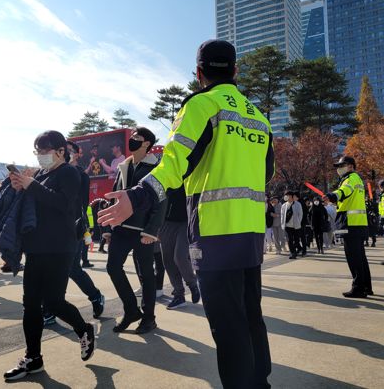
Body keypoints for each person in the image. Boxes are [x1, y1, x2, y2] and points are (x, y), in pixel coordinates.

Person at [98, 39, 274, 388]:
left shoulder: (202, 105)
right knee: (251, 314)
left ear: (199, 73)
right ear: (236, 71)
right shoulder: (259, 118)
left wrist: (137, 194)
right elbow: (266, 174)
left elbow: (175, 162)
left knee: (228, 324)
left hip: (216, 230)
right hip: (251, 232)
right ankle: (261, 383)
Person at [4, 131, 96, 381]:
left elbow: (64, 204)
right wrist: (20, 187)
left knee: (53, 302)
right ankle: (32, 358)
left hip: (60, 246)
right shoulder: (42, 174)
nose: (40, 156)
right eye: (37, 151)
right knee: (31, 304)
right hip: (36, 247)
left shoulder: (69, 173)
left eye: (44, 150)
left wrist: (31, 185)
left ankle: (84, 328)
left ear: (60, 151)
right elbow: (34, 207)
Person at [105, 127, 166, 334]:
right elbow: (115, 195)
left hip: (143, 231)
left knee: (146, 275)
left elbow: (162, 199)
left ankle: (149, 318)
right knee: (113, 267)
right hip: (121, 228)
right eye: (131, 138)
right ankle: (131, 310)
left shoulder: (156, 166)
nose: (131, 141)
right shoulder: (124, 166)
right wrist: (108, 226)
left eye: (136, 138)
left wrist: (152, 230)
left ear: (147, 143)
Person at [43, 141, 105, 326]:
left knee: (70, 269)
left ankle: (95, 296)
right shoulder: (48, 173)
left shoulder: (80, 176)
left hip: (71, 229)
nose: (61, 154)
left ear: (77, 154)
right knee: (51, 270)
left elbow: (76, 204)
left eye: (67, 151)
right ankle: (50, 309)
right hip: (48, 230)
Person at [323, 156, 372, 298]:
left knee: (353, 258)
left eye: (341, 165)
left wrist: (332, 195)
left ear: (350, 166)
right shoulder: (357, 179)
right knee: (360, 257)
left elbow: (344, 191)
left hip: (350, 223)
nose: (339, 168)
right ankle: (366, 286)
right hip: (358, 223)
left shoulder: (350, 179)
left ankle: (358, 288)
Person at [158, 185, 200, 310]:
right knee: (168, 261)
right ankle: (179, 295)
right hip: (166, 223)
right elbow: (158, 201)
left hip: (186, 222)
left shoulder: (189, 170)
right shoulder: (163, 172)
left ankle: (192, 284)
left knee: (180, 256)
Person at [281, 191, 303, 259]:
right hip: (287, 226)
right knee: (289, 240)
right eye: (286, 195)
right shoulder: (284, 205)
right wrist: (282, 225)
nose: (287, 196)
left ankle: (298, 249)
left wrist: (298, 222)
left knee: (296, 240)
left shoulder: (298, 204)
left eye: (288, 195)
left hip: (296, 226)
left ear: (292, 196)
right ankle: (292, 253)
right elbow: (282, 216)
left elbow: (300, 214)